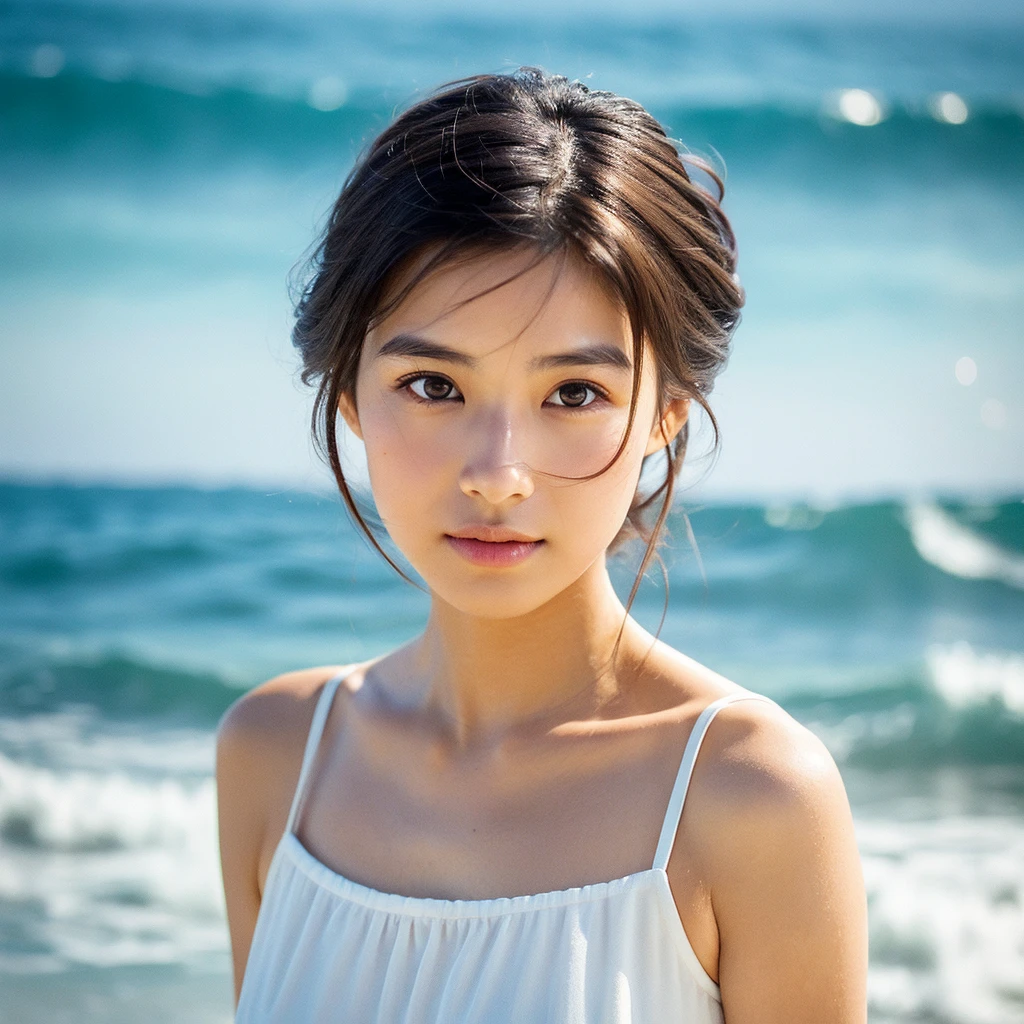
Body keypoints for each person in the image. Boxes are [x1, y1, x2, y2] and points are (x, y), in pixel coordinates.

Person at [216, 68, 868, 1022]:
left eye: (573, 394)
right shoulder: (275, 758)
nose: (497, 472)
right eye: (434, 386)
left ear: (665, 417)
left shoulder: (752, 798)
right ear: (350, 391)